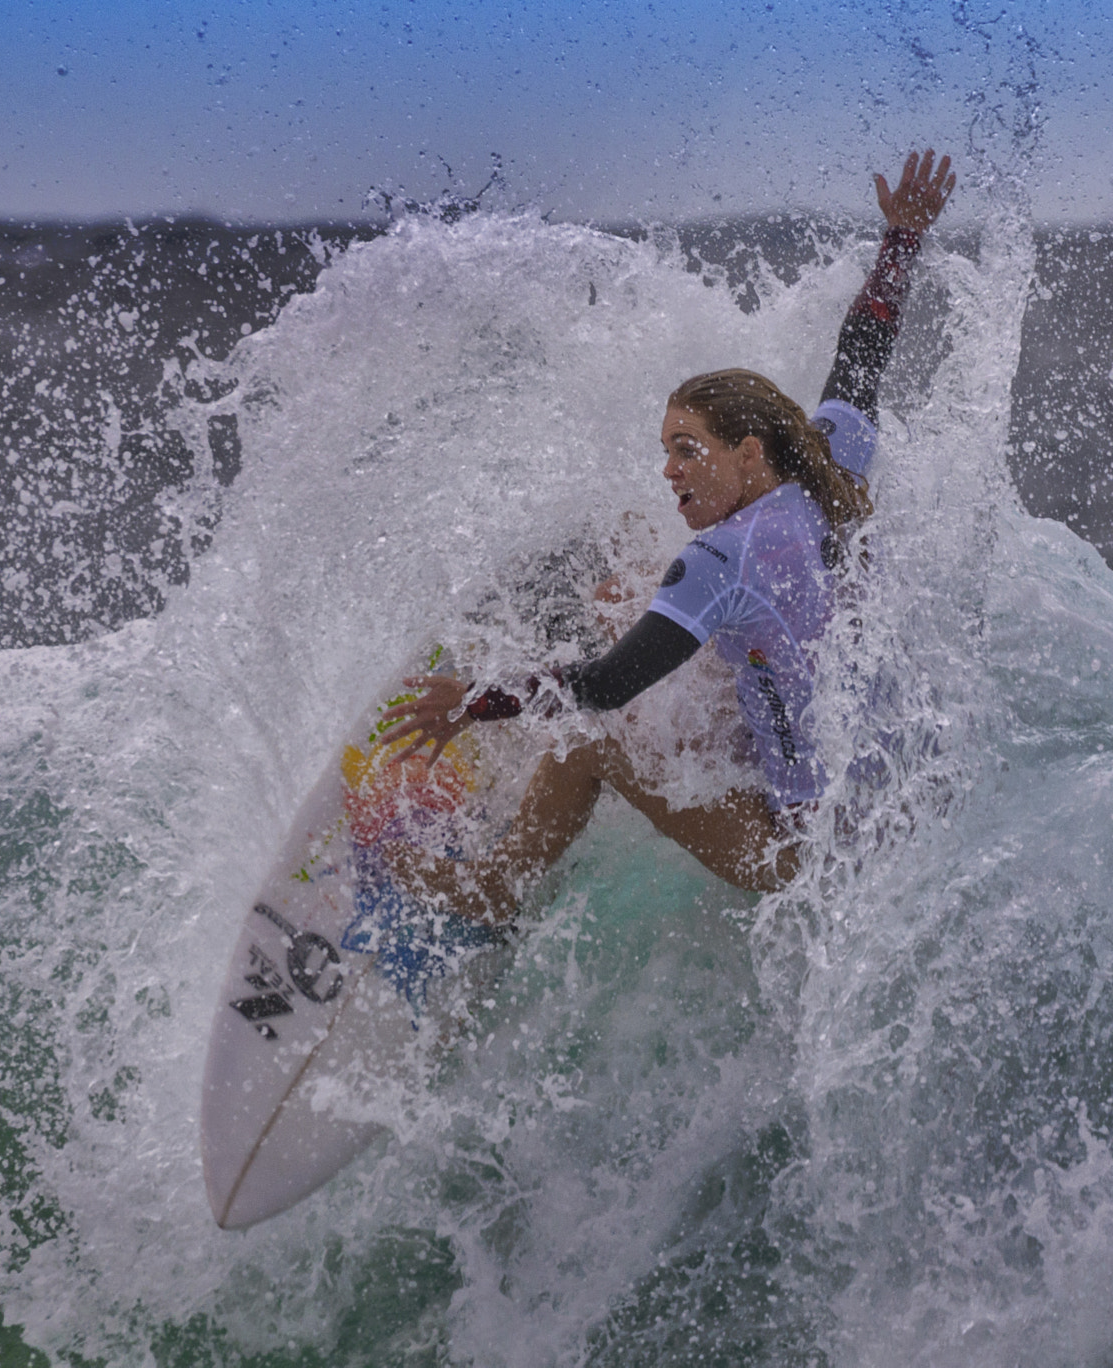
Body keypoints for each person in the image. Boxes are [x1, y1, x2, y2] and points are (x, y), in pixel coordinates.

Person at [376, 148, 958, 925]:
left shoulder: (721, 557)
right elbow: (863, 355)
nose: (669, 471)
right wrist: (902, 241)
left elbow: (612, 684)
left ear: (750, 454)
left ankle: (493, 889)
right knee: (644, 598)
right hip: (894, 807)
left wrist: (476, 703)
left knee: (594, 735)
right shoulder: (828, 461)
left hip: (804, 845)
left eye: (689, 451)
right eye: (666, 451)